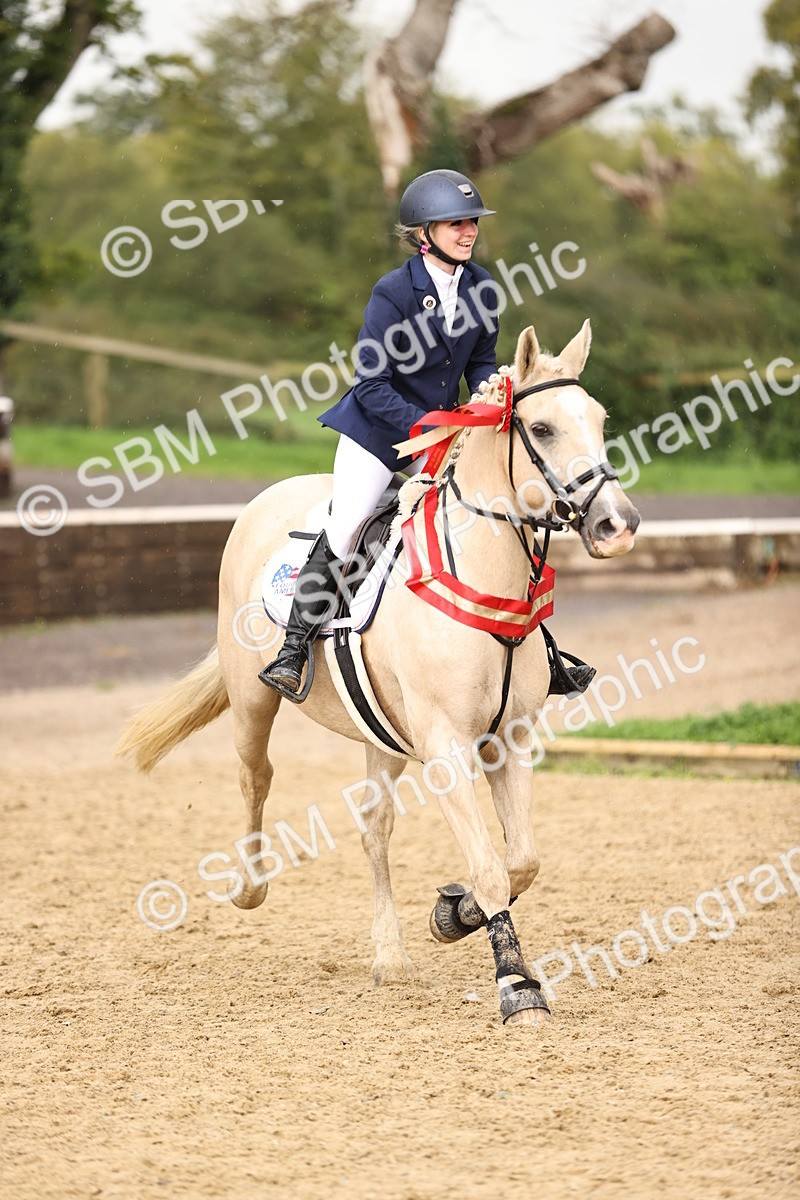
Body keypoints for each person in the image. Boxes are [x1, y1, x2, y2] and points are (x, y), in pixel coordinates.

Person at [259, 168, 592, 699]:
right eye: (455, 223)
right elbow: (370, 382)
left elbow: (481, 363)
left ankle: (541, 650)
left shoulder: (483, 288)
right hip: (379, 433)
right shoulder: (392, 293)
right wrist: (425, 428)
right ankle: (293, 648)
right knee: (347, 526)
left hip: (443, 433)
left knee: (498, 512)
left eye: (472, 223)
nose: (469, 232)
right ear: (424, 233)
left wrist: (490, 396)